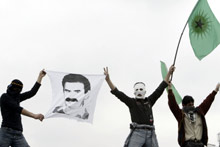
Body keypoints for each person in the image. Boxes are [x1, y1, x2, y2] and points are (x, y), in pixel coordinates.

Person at [104, 65, 175, 147]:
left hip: (150, 133)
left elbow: (160, 88)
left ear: (145, 91)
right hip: (137, 132)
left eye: (141, 89)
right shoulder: (132, 102)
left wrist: (169, 72)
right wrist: (108, 80)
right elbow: (118, 93)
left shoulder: (149, 101)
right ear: (134, 92)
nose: (139, 91)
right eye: (137, 90)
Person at [0, 70, 46, 147]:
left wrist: (40, 77)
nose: (17, 91)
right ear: (11, 87)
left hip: (18, 134)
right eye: (16, 89)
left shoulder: (17, 97)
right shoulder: (4, 97)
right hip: (5, 132)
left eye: (18, 90)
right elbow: (17, 108)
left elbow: (32, 92)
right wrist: (34, 115)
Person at [167, 82, 220, 147]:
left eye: (192, 104)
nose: (191, 107)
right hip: (188, 144)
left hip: (200, 144)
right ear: (184, 105)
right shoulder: (181, 115)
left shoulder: (199, 112)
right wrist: (170, 90)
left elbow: (207, 102)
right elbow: (173, 105)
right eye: (189, 105)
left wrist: (215, 91)